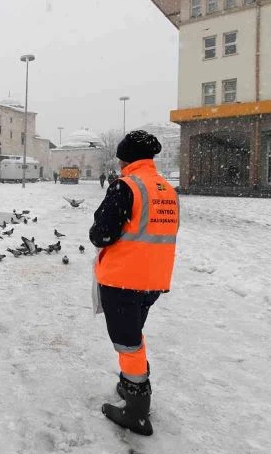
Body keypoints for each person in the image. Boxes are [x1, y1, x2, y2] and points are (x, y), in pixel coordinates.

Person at [89, 130, 179, 436]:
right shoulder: (165, 188)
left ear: (125, 157)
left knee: (128, 343)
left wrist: (99, 223)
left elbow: (101, 234)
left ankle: (137, 410)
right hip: (153, 280)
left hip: (124, 278)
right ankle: (130, 385)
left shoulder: (126, 186)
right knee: (133, 335)